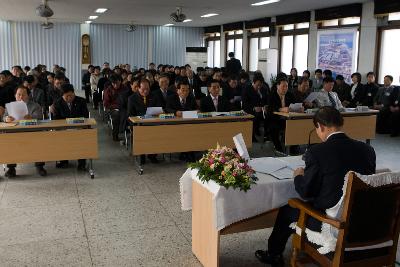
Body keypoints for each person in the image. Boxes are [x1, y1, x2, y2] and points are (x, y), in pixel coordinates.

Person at [255, 107, 376, 266]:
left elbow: (305, 191)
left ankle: (274, 254)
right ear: (341, 123)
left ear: (321, 126)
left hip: (333, 223)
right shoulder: (367, 150)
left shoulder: (317, 152)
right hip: (365, 219)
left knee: (289, 208)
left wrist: (298, 176)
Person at [3, 86, 47, 177]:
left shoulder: (35, 105)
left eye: (23, 94)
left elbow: (39, 117)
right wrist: (6, 118)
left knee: (39, 141)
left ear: (28, 95)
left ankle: (40, 166)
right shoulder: (10, 106)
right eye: (19, 94)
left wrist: (31, 118)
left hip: (32, 132)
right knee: (8, 142)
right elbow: (4, 117)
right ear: (15, 95)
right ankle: (11, 168)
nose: (21, 97)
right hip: (15, 132)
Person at [53, 84, 89, 171]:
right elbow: (56, 120)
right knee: (60, 138)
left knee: (82, 138)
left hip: (79, 128)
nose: (69, 98)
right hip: (64, 129)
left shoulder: (81, 101)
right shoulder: (57, 103)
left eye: (71, 95)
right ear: (62, 96)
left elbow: (85, 116)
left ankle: (81, 162)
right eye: (66, 96)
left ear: (74, 93)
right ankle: (64, 161)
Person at [267, 77, 300, 152]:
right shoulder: (272, 95)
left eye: (287, 86)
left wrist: (298, 108)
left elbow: (294, 104)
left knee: (296, 126)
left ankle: (293, 147)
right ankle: (279, 149)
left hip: (288, 119)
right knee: (274, 128)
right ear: (277, 86)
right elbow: (270, 109)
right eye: (283, 86)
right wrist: (281, 109)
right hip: (275, 119)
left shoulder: (290, 95)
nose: (285, 88)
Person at [242, 75, 269, 142]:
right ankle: (252, 136)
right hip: (250, 110)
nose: (259, 87)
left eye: (261, 85)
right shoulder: (247, 89)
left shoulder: (264, 89)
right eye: (258, 85)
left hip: (262, 110)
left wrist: (266, 106)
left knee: (269, 116)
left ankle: (266, 136)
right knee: (255, 116)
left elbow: (267, 100)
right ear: (253, 83)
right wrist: (253, 108)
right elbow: (245, 104)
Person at [103, 74, 125, 141]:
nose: (115, 85)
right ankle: (115, 135)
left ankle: (125, 130)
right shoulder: (108, 90)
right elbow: (106, 104)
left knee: (128, 113)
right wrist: (116, 106)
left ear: (120, 81)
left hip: (124, 107)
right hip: (112, 108)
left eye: (117, 83)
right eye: (114, 83)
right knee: (117, 115)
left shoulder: (125, 88)